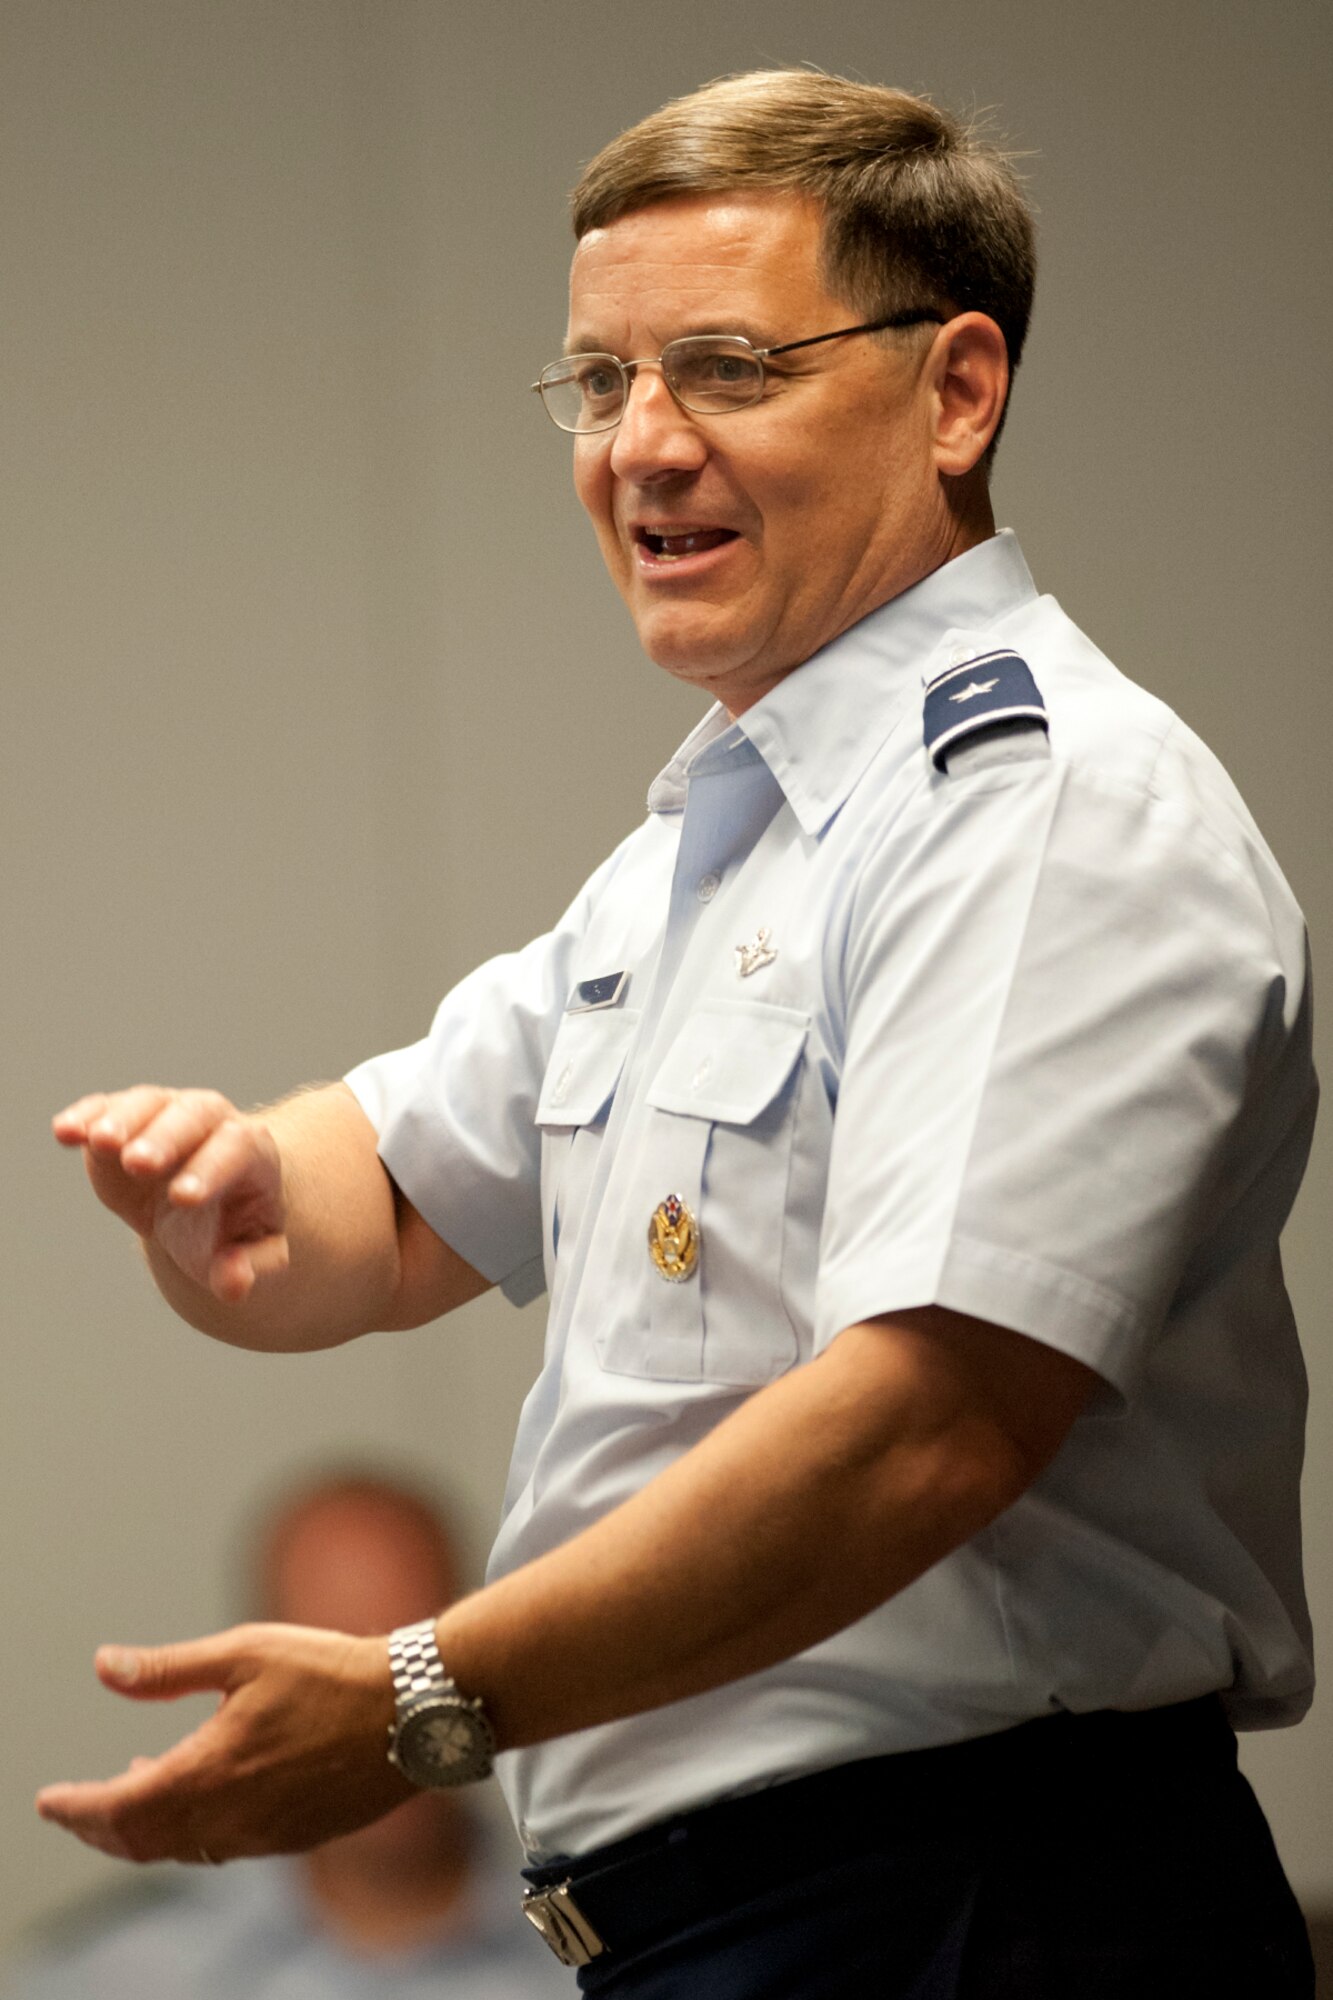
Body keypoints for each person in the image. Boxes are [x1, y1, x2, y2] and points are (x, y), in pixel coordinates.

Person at [41, 68, 1316, 1998]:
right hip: (752, 1927)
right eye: (599, 381)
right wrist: (223, 1193)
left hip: (973, 1908)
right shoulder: (709, 851)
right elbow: (379, 1203)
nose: (639, 446)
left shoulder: (1036, 805)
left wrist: (416, 1702)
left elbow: (921, 1431)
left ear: (956, 390)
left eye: (722, 367)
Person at [6, 1471, 573, 1998]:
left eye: (426, 1659)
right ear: (247, 1698)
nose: (393, 1712)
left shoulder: (602, 1959)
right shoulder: (111, 1978)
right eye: (333, 1676)